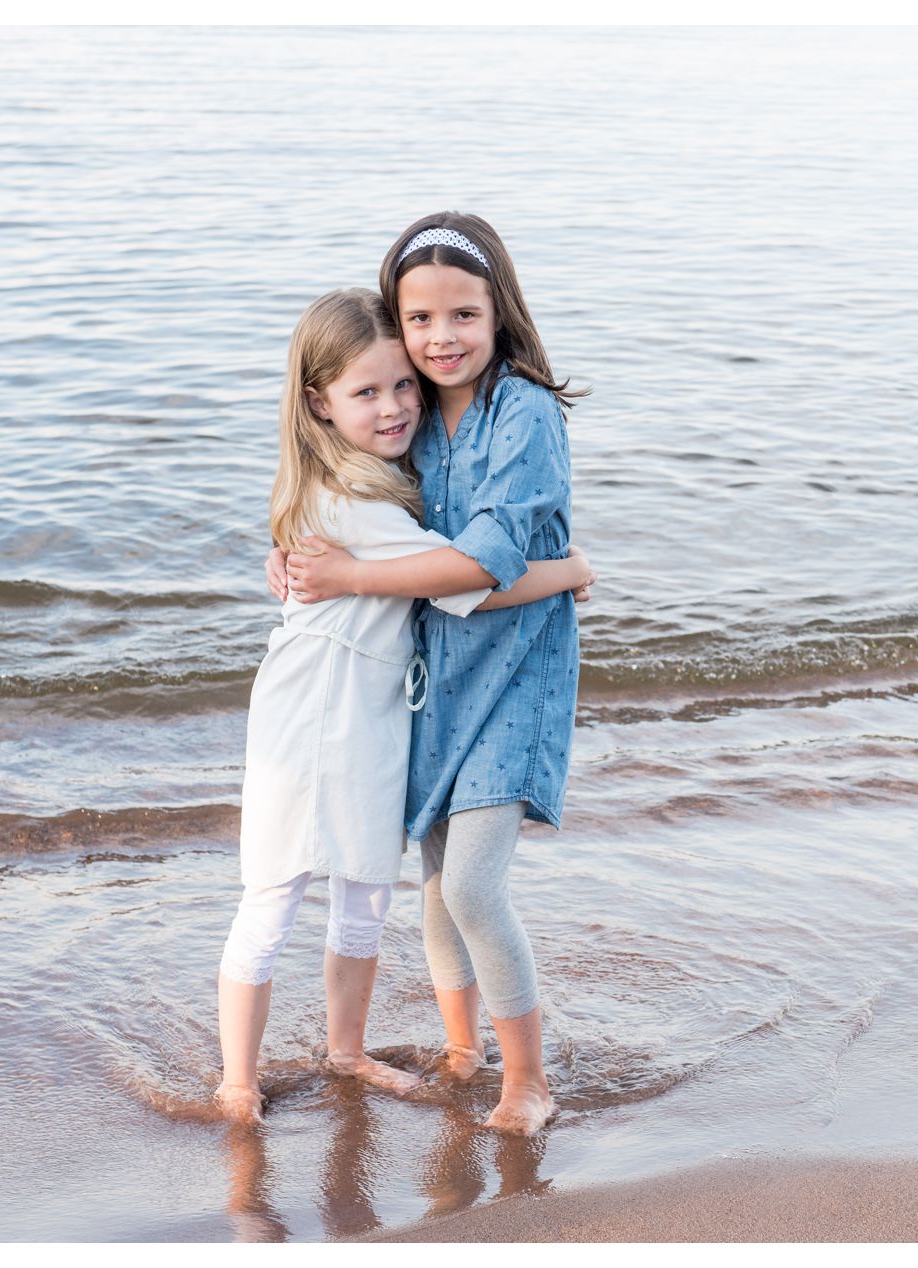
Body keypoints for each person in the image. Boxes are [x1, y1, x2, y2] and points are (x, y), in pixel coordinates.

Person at [217, 287, 593, 1127]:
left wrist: (303, 562)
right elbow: (464, 579)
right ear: (319, 402)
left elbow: (438, 562)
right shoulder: (358, 499)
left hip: (382, 711)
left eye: (400, 387)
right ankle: (237, 1085)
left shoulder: (385, 471)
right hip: (316, 713)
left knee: (367, 892)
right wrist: (570, 571)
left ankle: (355, 1053)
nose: (392, 406)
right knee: (276, 891)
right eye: (366, 391)